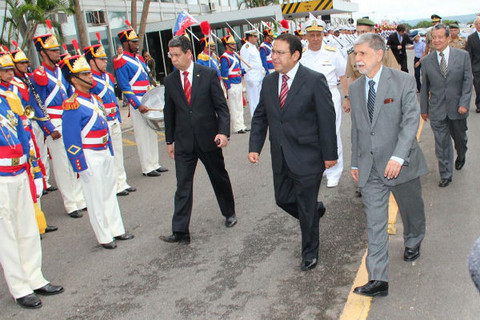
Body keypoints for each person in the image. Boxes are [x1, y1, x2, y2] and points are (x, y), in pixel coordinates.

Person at [248, 33, 337, 271]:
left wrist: (330, 154)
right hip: (281, 155)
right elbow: (260, 116)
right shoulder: (269, 82)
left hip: (308, 155)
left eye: (279, 53)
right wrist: (254, 146)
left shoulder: (314, 80)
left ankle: (309, 252)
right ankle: (314, 213)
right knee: (283, 199)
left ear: (295, 55)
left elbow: (326, 119)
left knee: (305, 207)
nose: (273, 56)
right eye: (273, 52)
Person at [350, 33, 428, 297]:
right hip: (371, 167)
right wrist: (354, 162)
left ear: (379, 54)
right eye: (355, 54)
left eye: (362, 54)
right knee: (374, 223)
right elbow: (358, 129)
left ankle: (414, 239)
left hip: (401, 164)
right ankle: (378, 280)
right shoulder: (355, 88)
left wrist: (397, 157)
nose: (357, 59)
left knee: (411, 210)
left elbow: (410, 122)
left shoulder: (403, 81)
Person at [160, 36, 237, 244]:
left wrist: (223, 132)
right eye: (171, 55)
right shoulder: (170, 81)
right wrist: (169, 141)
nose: (173, 59)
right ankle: (180, 231)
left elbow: (221, 107)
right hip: (184, 142)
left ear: (188, 54)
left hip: (208, 138)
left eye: (177, 55)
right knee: (182, 185)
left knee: (218, 177)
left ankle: (229, 212)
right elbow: (169, 113)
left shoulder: (209, 74)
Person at [60, 54, 134, 249]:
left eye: (88, 71)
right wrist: (80, 164)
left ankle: (116, 229)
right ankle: (104, 235)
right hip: (89, 154)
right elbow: (71, 139)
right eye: (84, 73)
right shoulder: (72, 105)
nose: (90, 76)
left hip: (103, 151)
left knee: (109, 192)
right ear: (74, 79)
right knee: (95, 196)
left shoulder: (94, 98)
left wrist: (109, 150)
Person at [0, 87, 64, 309]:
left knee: (27, 228)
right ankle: (19, 288)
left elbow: (22, 134)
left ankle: (35, 277)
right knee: (6, 235)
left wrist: (33, 170)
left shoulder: (9, 98)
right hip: (1, 177)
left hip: (19, 172)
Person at [31, 25, 86, 218]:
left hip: (67, 118)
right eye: (53, 51)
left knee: (74, 159)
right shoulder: (39, 74)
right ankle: (71, 204)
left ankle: (79, 198)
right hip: (53, 121)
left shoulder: (60, 72)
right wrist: (47, 127)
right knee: (62, 165)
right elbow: (36, 104)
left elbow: (70, 95)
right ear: (43, 53)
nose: (57, 53)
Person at [420, 24, 473, 187]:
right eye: (433, 38)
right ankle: (446, 174)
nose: (436, 40)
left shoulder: (462, 56)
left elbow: (467, 81)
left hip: (458, 108)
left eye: (439, 37)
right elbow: (425, 86)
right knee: (442, 144)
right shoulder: (427, 61)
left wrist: (464, 103)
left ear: (448, 38)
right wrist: (424, 109)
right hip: (437, 109)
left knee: (460, 139)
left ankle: (461, 154)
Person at [114, 25, 168, 177]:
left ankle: (154, 163)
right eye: (134, 42)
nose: (137, 45)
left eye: (137, 42)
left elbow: (147, 76)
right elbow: (125, 87)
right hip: (137, 100)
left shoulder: (137, 59)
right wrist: (137, 105)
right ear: (125, 43)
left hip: (147, 97)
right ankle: (147, 167)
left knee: (152, 131)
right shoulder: (121, 61)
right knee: (143, 134)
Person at [84, 42, 136, 196]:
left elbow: (112, 98)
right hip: (103, 120)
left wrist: (118, 116)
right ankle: (113, 185)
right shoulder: (90, 79)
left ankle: (121, 182)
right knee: (108, 155)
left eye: (105, 59)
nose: (105, 61)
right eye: (101, 59)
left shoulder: (107, 76)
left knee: (118, 153)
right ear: (92, 61)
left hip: (114, 117)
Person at [300, 18, 347, 188]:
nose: (315, 38)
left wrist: (347, 97)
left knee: (332, 133)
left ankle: (334, 172)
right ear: (306, 36)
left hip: (329, 96)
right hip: (307, 99)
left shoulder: (332, 53)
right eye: (311, 35)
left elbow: (342, 75)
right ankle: (319, 168)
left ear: (322, 35)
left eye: (318, 35)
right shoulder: (301, 55)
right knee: (312, 134)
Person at [220, 33, 248, 134]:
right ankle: (237, 127)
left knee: (240, 105)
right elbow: (224, 74)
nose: (234, 45)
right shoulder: (225, 57)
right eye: (231, 44)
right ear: (227, 45)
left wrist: (244, 70)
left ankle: (242, 125)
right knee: (234, 107)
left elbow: (237, 69)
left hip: (238, 82)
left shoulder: (234, 56)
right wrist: (228, 87)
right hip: (232, 84)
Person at [240, 30, 265, 117]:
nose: (256, 38)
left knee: (258, 98)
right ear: (250, 37)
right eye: (255, 37)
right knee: (253, 99)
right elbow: (244, 64)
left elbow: (257, 61)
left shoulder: (253, 47)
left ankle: (260, 116)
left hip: (258, 75)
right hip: (252, 76)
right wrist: (248, 76)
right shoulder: (245, 48)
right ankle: (255, 118)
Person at [466, 16, 480, 113]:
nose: (478, 26)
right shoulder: (471, 38)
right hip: (476, 67)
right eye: (477, 24)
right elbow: (469, 53)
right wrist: (469, 68)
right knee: (478, 87)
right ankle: (479, 105)